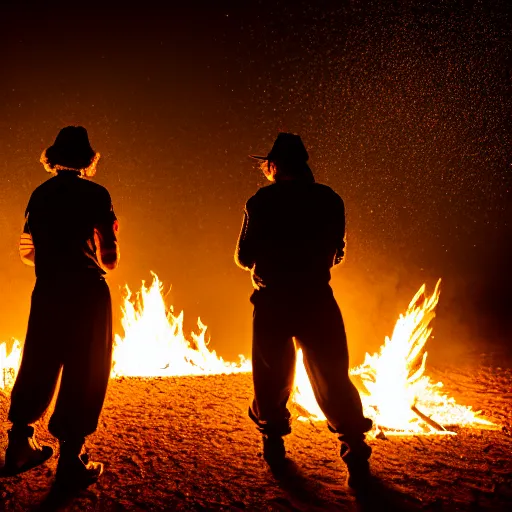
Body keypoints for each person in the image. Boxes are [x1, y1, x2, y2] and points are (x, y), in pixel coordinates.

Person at [235, 133, 373, 489]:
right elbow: (337, 253)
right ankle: (354, 451)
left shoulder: (260, 201)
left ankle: (274, 443)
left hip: (272, 301)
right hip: (316, 298)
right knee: (332, 377)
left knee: (271, 379)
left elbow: (243, 256)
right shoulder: (329, 199)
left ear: (275, 166)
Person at [3, 126, 120, 489]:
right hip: (87, 291)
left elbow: (27, 253)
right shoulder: (97, 195)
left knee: (39, 360)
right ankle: (71, 457)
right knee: (86, 369)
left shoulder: (39, 195)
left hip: (48, 289)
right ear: (88, 159)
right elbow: (110, 258)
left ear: (53, 157)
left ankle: (20, 443)